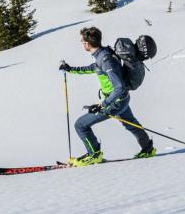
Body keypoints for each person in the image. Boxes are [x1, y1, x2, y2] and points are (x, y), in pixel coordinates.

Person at [59, 26, 155, 166]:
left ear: (87, 44)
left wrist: (103, 105)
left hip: (116, 101)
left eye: (82, 41)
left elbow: (119, 87)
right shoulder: (103, 54)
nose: (82, 43)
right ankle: (148, 149)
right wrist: (70, 69)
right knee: (131, 124)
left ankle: (94, 155)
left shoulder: (105, 60)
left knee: (80, 125)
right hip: (121, 99)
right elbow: (93, 68)